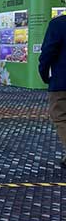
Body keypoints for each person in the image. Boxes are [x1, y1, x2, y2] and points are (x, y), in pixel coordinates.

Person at [39, 13, 66, 166]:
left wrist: (44, 74)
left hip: (62, 82)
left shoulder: (58, 24)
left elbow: (48, 53)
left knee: (61, 117)